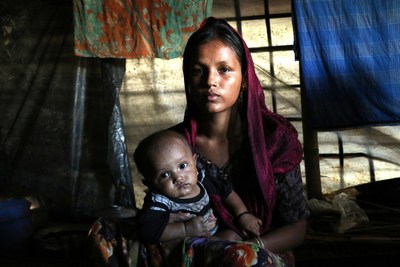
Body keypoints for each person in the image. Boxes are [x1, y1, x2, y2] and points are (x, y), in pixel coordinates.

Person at [168, 16, 310, 265]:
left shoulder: (274, 139)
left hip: (259, 254)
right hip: (195, 252)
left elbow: (297, 227)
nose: (210, 81)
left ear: (244, 79)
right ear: (188, 80)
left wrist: (244, 246)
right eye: (199, 71)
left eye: (224, 70)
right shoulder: (176, 146)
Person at [133, 129, 262, 246]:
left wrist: (242, 214)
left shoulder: (202, 179)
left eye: (182, 166)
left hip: (214, 234)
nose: (178, 178)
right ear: (150, 184)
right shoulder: (160, 200)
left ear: (194, 162)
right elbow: (146, 229)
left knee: (235, 235)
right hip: (187, 244)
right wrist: (185, 229)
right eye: (165, 175)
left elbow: (227, 192)